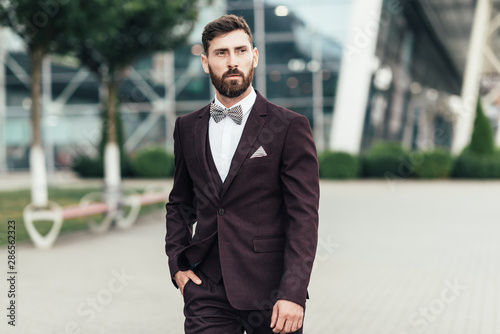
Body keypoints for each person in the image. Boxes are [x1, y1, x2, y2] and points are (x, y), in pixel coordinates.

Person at [165, 14, 319, 334]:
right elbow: (180, 203)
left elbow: (303, 216)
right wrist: (178, 263)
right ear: (206, 62)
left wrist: (293, 293)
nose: (233, 61)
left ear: (255, 56)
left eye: (241, 51)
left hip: (272, 293)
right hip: (206, 288)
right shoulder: (187, 127)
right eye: (221, 53)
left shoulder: (289, 126)